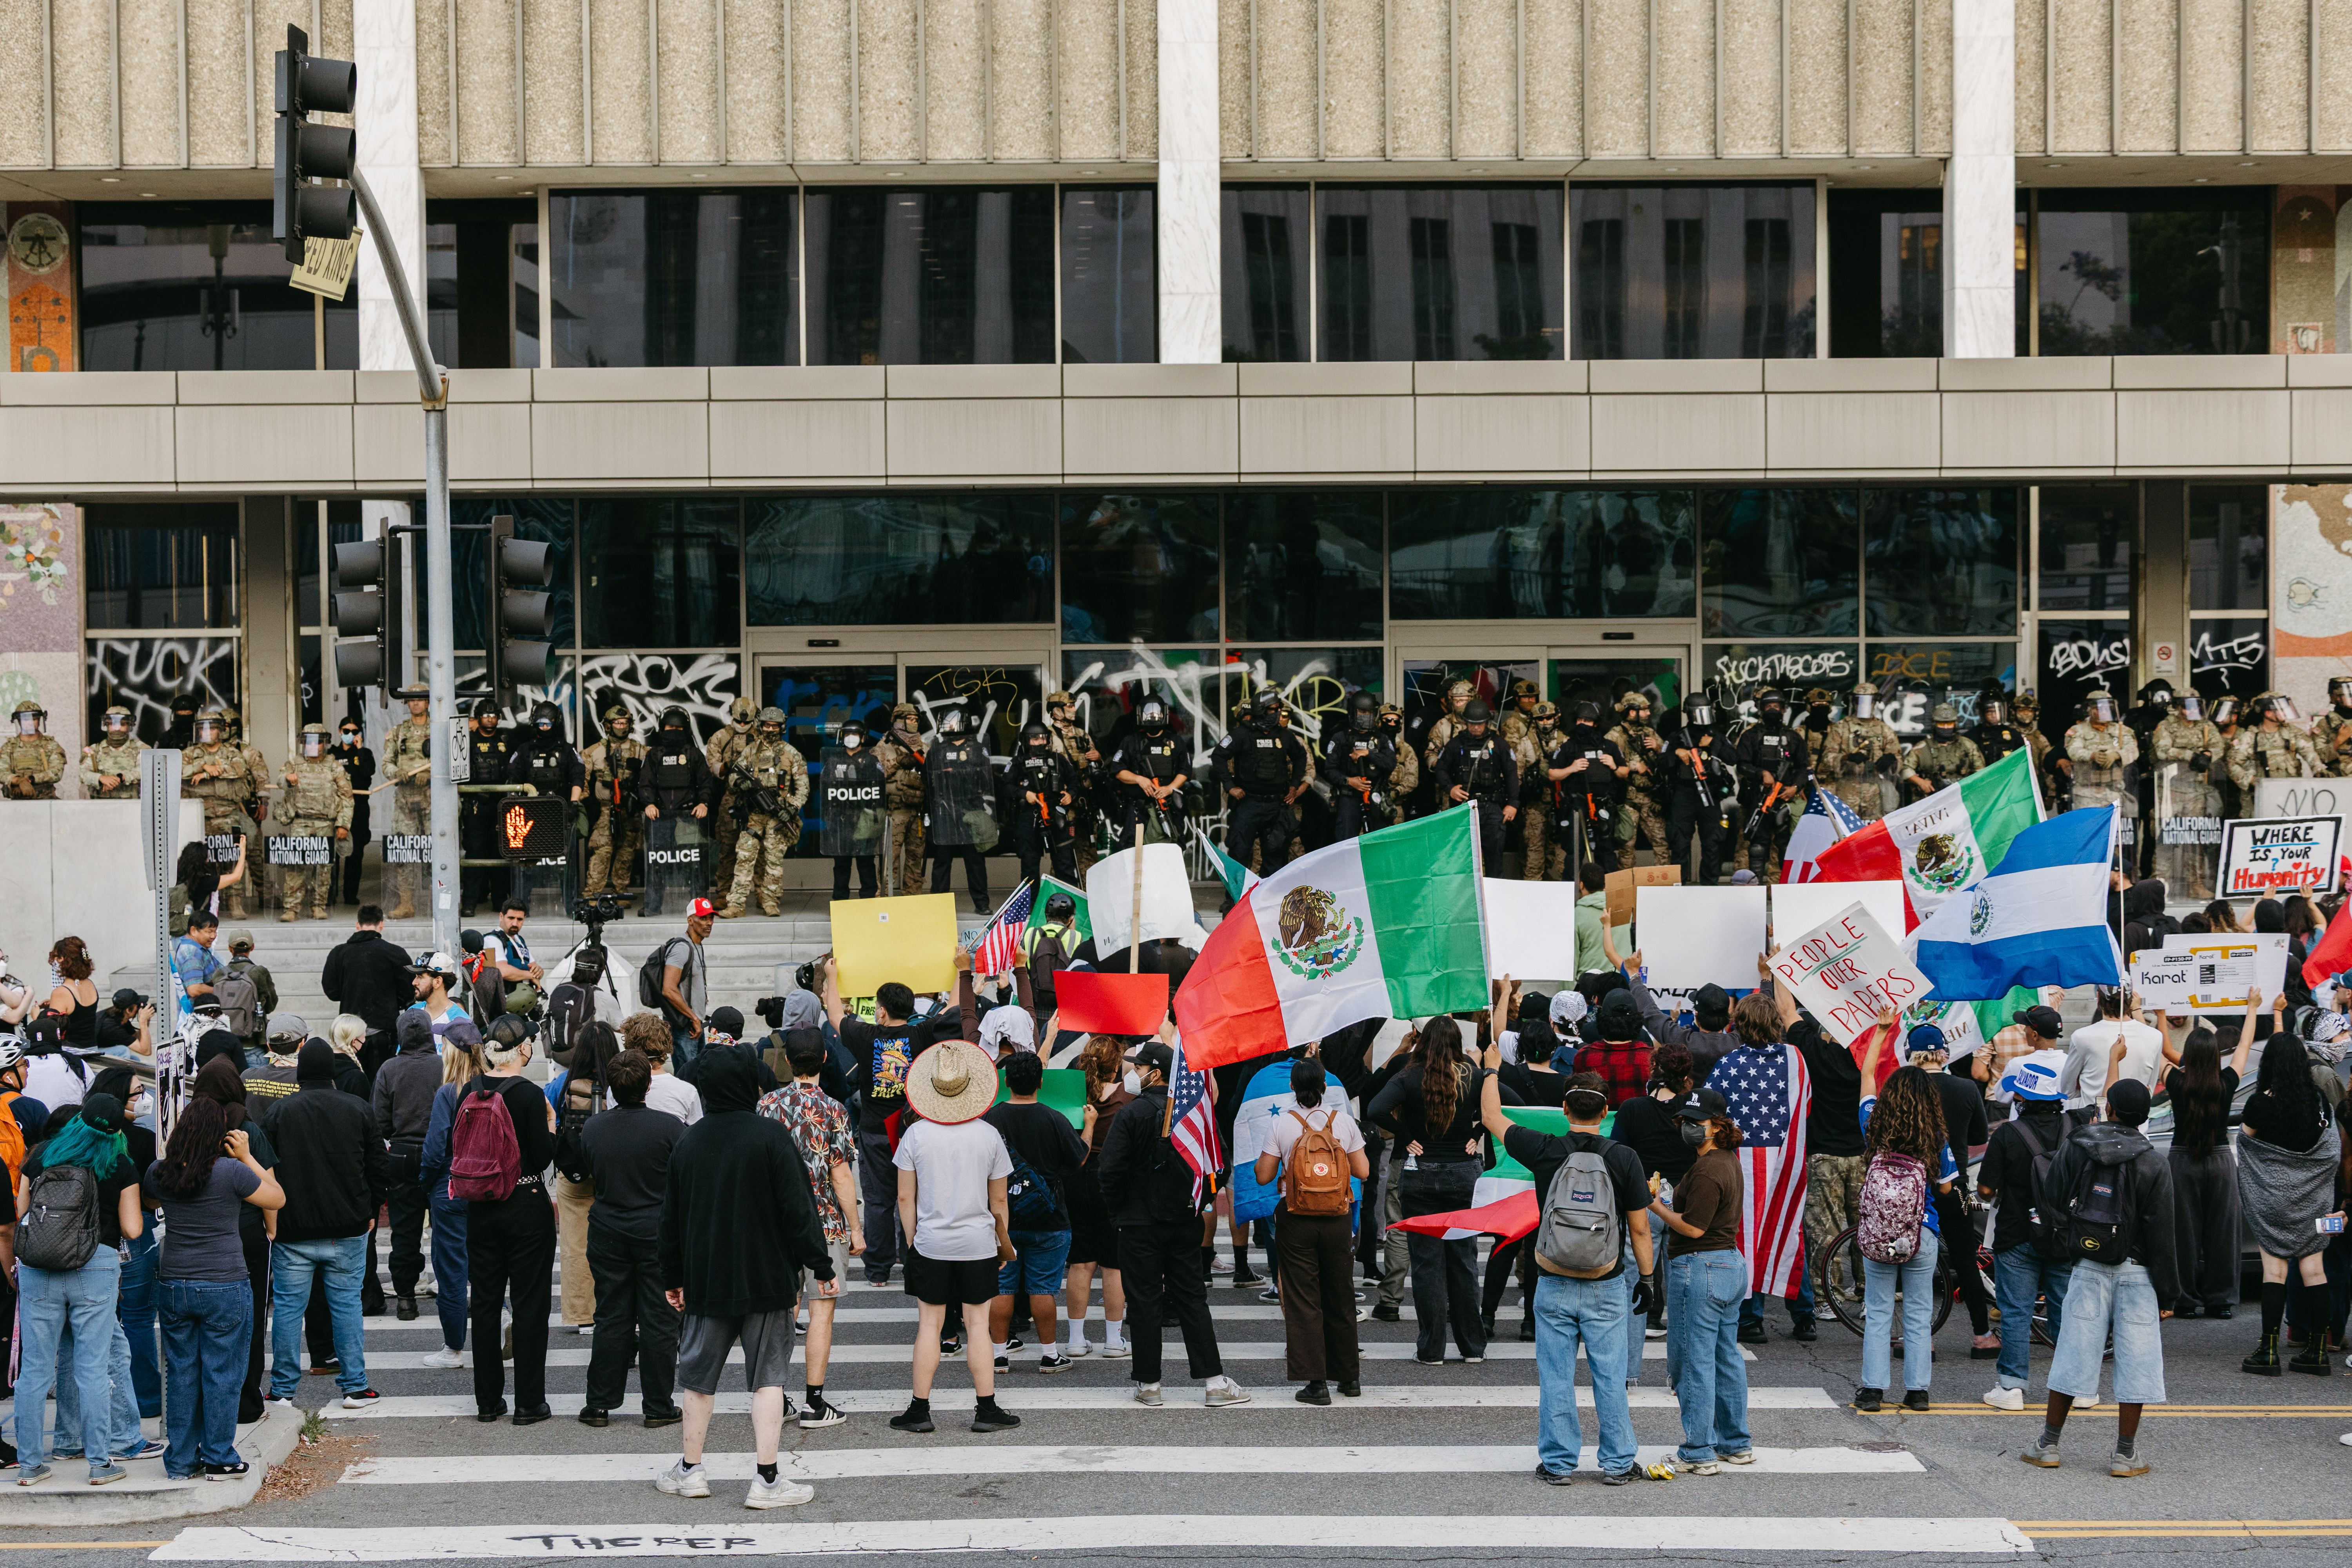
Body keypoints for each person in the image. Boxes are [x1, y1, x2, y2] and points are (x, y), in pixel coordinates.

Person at [656, 1048, 836, 1509]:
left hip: (707, 1280)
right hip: (768, 1277)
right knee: (769, 1378)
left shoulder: (688, 1142)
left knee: (698, 1380)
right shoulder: (771, 1136)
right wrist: (822, 1265)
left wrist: (672, 1277)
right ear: (749, 1086)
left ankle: (691, 1470)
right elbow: (800, 1211)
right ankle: (768, 1479)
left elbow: (671, 1222)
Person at [1475, 1066, 1651, 1481]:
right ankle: (1618, 1462)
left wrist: (1490, 1068)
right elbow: (1640, 1227)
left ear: (1565, 1108)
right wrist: (1646, 1279)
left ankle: (1557, 1462)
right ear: (1606, 1109)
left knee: (1556, 1376)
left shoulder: (1545, 1148)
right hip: (1605, 1282)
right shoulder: (1624, 1157)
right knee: (1610, 1375)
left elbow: (1491, 1117)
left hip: (1552, 1279)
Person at [2022, 1078, 2180, 1476]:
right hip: (2138, 1270)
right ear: (2145, 1117)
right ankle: (2125, 1454)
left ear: (2109, 1109)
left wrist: (2072, 1237)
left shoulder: (2079, 1145)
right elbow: (2163, 1233)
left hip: (2088, 1265)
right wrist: (2169, 1295)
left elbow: (2053, 1194)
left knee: (2073, 1351)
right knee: (2137, 1359)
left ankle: (2048, 1444)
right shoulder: (2154, 1161)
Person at [1098, 1041, 1249, 1408]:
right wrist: (1201, 1200)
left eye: (1139, 1067)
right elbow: (1219, 1165)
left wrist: (1120, 1212)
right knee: (1192, 1299)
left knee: (1145, 1301)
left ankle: (1149, 1384)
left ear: (1157, 1072)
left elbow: (1110, 1170)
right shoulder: (1195, 1115)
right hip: (1185, 1219)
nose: (1133, 1074)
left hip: (1138, 1225)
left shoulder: (1131, 1115)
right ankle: (1214, 1383)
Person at [11, 1095, 149, 1486]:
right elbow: (134, 1229)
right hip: (96, 1266)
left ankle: (30, 1465)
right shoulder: (120, 1164)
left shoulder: (42, 1156)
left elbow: (23, 1212)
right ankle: (100, 1463)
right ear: (115, 1130)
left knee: (35, 1371)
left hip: (39, 1267)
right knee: (92, 1368)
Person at [147, 1095, 285, 1481]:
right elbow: (277, 1196)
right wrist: (246, 1155)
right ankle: (219, 1454)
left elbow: (149, 1198)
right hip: (224, 1282)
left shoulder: (159, 1172)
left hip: (175, 1283)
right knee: (223, 1373)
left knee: (182, 1373)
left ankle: (180, 1460)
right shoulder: (230, 1173)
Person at [888, 1039, 1024, 1432]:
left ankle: (920, 1409)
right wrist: (1002, 1242)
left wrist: (915, 1242)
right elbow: (999, 1201)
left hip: (931, 1242)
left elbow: (903, 1196)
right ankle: (986, 1409)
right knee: (978, 1324)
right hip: (978, 1241)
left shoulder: (915, 1136)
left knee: (930, 1325)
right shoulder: (989, 1135)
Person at [260, 1040, 386, 1410]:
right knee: (347, 1306)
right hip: (348, 1226)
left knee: (287, 1310)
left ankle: (282, 1390)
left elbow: (268, 1170)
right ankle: (355, 1387)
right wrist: (371, 1209)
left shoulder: (280, 1112)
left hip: (293, 1229)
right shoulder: (358, 1109)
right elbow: (379, 1166)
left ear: (299, 1072)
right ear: (333, 1072)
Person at [1368, 1016, 1496, 1366]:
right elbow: (1499, 1107)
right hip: (1463, 1174)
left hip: (1420, 1174)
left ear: (1423, 1042)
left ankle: (1432, 1349)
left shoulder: (1410, 1075)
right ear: (1457, 1041)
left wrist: (1406, 1136)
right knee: (1464, 1262)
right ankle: (1473, 1347)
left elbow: (1375, 1108)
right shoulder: (1472, 1072)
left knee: (1427, 1265)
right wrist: (1478, 1133)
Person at [2233, 989, 2347, 1376]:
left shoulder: (2261, 1103)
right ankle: (2316, 1352)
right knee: (2315, 1271)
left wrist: (2271, 1173)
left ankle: (2267, 1353)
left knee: (2274, 1272)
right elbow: (2331, 1151)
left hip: (2272, 1202)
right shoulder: (2317, 1099)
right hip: (2315, 1203)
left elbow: (2245, 1141)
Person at [755, 1030, 863, 1426]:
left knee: (784, 1311)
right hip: (824, 1224)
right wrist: (856, 1228)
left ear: (787, 1062)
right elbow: (841, 1176)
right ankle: (815, 1402)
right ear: (821, 1060)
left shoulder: (766, 1105)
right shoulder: (834, 1109)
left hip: (777, 1224)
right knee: (822, 1312)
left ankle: (777, 1396)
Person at [457, 1016, 560, 1422]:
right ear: (522, 1049)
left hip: (481, 1206)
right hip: (524, 1200)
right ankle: (529, 1402)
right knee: (530, 1303)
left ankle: (488, 1400)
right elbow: (540, 1156)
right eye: (530, 1041)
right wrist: (552, 1127)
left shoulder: (470, 1090)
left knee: (484, 1303)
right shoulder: (529, 1095)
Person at [1252, 1056, 1370, 1405]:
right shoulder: (1344, 1122)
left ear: (1292, 1087)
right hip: (1337, 1218)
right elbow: (1362, 1171)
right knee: (1341, 1294)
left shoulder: (1282, 1125)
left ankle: (1316, 1383)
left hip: (1297, 1217)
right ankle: (1349, 1378)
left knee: (1304, 1299)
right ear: (1324, 1088)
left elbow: (1262, 1175)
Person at [579, 1048, 686, 1430]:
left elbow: (590, 1173)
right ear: (647, 1084)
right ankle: (658, 1404)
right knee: (661, 1320)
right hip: (656, 1231)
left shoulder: (594, 1128)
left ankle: (599, 1402)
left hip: (608, 1229)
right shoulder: (670, 1127)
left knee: (611, 1315)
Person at [1649, 1086, 1751, 1474]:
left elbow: (1693, 1228)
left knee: (1694, 1361)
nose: (1688, 1128)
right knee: (1725, 1356)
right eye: (1685, 1121)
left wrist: (1656, 1205)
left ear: (1717, 1125)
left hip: (1700, 1267)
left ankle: (1698, 1450)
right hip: (1727, 1266)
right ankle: (1736, 1443)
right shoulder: (1726, 1159)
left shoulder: (1709, 1168)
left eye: (1696, 1123)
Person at [1976, 1054, 2077, 1409]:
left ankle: (2012, 1388)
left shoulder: (2008, 1134)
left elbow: (1986, 1190)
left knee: (2016, 1310)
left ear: (2023, 1098)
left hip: (2017, 1233)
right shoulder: (2075, 1130)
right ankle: (2075, 1387)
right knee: (2065, 1309)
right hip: (2065, 1234)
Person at [1852, 1063, 1953, 1414]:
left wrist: (1880, 1034)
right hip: (1921, 1231)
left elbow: (1867, 1083)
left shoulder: (1873, 1126)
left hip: (1880, 1231)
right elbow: (1947, 1186)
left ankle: (1873, 1390)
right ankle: (1917, 1391)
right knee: (1919, 1312)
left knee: (1879, 1312)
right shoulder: (1935, 1136)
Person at [986, 1049, 1088, 1375]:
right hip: (1050, 1218)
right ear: (1041, 1082)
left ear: (1007, 1082)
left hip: (1001, 1217)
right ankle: (1049, 1355)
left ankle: (999, 1356)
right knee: (1043, 1289)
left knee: (1002, 1287)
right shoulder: (1055, 1119)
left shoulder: (990, 1120)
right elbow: (1079, 1159)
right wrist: (1091, 1126)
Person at [1906, 1025, 1996, 1357]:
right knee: (1965, 1260)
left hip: (1913, 1186)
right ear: (1944, 1053)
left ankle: (1920, 1338)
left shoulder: (1905, 1088)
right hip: (1954, 1185)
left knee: (1916, 1260)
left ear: (1911, 1055)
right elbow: (1977, 1139)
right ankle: (1982, 1335)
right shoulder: (1965, 1088)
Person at [2165, 1020, 2245, 1319]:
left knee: (2182, 1233)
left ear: (2187, 1056)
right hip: (2221, 1159)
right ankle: (2220, 1300)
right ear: (2216, 1056)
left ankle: (2185, 1300)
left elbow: (2157, 1050)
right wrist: (2253, 1010)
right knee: (2224, 1232)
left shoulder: (2176, 1082)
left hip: (2182, 1161)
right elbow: (2245, 1046)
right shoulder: (2227, 1082)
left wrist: (2148, 1013)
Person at [1062, 1033, 1134, 1360]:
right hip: (1115, 1181)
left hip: (1077, 1179)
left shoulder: (1074, 1095)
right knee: (1113, 1264)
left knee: (1081, 1262)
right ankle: (1114, 1340)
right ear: (1117, 1065)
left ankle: (1076, 1339)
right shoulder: (1128, 1096)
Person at [372, 1009, 441, 1321]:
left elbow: (380, 1121)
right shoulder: (444, 1065)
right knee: (447, 1227)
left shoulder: (389, 1068)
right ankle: (451, 1292)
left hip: (401, 1153)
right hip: (440, 1153)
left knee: (404, 1231)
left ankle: (405, 1297)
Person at [718, 707, 808, 919]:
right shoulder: (750, 751)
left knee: (774, 862)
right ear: (761, 726)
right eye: (767, 725)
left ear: (781, 727)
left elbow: (803, 787)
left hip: (778, 816)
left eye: (775, 726)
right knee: (744, 859)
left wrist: (792, 808)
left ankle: (770, 901)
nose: (770, 729)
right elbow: (732, 779)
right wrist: (742, 783)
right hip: (754, 816)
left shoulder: (791, 753)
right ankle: (737, 905)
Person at [1214, 688, 1310, 879]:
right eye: (1273, 710)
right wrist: (1229, 786)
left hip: (1276, 805)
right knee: (1239, 854)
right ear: (1261, 711)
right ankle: (1234, 901)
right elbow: (1219, 756)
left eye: (1278, 710)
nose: (1277, 714)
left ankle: (1268, 902)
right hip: (1248, 804)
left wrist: (1294, 784)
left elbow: (1301, 757)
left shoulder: (1283, 735)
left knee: (1275, 855)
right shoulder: (1242, 734)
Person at [276, 723, 354, 921]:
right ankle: (291, 909)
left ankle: (319, 906)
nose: (312, 746)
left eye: (317, 742)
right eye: (308, 741)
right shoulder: (294, 763)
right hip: (301, 823)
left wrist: (343, 824)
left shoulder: (333, 765)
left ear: (324, 744)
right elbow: (279, 780)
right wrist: (287, 777)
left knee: (323, 868)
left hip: (325, 824)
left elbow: (347, 796)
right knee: (296, 868)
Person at [925, 708, 999, 912]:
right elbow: (928, 780)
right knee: (942, 860)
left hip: (971, 810)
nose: (948, 726)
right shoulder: (938, 749)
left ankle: (982, 904)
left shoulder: (977, 748)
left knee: (975, 860)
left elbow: (986, 779)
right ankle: (938, 906)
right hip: (945, 810)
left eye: (951, 722)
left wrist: (958, 773)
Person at [322, 905, 414, 1067]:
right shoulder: (396, 953)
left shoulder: (339, 953)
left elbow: (332, 991)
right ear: (382, 924)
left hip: (349, 1034)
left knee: (352, 1079)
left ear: (358, 925)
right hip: (385, 1031)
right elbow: (410, 991)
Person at [1432, 699, 1519, 867]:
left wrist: (1513, 803)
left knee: (1495, 860)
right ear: (1465, 722)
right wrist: (1450, 789)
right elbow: (1440, 769)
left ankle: (1493, 893)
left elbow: (1511, 773)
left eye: (1480, 724)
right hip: (1465, 807)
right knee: (1463, 860)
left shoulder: (1499, 743)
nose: (1476, 728)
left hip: (1493, 807)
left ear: (1487, 722)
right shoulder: (1456, 744)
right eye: (1472, 724)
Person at [583, 704, 647, 903]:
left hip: (630, 809)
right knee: (603, 850)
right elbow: (582, 780)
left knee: (627, 851)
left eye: (625, 723)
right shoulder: (594, 751)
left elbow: (652, 778)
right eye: (617, 723)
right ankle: (592, 893)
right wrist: (587, 805)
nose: (621, 726)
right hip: (605, 810)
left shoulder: (640, 751)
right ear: (608, 726)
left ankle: (622, 891)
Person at [2061, 989, 2163, 1112]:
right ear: (2132, 999)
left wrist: (2090, 1090)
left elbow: (2067, 1091)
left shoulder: (2082, 1037)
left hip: (2093, 1124)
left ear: (2099, 997)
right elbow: (2149, 1091)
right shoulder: (2155, 1036)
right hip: (2136, 1127)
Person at [1007, 721, 1081, 888]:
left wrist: (1071, 795)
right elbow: (1005, 786)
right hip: (1029, 816)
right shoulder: (1018, 762)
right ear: (1026, 741)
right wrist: (1024, 794)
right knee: (1030, 866)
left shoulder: (1058, 759)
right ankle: (1030, 906)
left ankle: (1069, 905)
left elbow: (1074, 782)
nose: (1040, 743)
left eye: (1043, 739)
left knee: (1064, 864)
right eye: (1035, 739)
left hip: (1056, 814)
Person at [381, 689, 432, 919]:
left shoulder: (440, 729)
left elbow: (453, 764)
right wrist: (397, 772)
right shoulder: (398, 732)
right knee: (404, 853)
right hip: (405, 801)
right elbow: (386, 764)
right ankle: (406, 904)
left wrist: (431, 774)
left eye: (420, 699)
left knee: (438, 851)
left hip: (433, 801)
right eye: (412, 700)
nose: (416, 704)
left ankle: (443, 900)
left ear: (428, 702)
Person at [621, 1014, 704, 1125]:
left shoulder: (618, 1088)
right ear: (667, 1045)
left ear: (629, 1046)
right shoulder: (688, 1091)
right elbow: (695, 1133)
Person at [329, 719, 376, 908]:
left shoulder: (365, 753)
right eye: (347, 730)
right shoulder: (331, 754)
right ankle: (330, 894)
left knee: (356, 852)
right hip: (336, 806)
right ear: (340, 731)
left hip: (359, 807)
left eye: (354, 730)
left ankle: (351, 895)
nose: (351, 733)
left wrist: (360, 750)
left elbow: (368, 773)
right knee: (332, 853)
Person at [80, 705, 146, 800]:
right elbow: (83, 774)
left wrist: (121, 778)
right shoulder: (94, 750)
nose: (117, 728)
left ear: (129, 726)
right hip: (101, 805)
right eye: (112, 724)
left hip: (132, 806)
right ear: (106, 725)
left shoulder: (141, 748)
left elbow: (145, 770)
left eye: (122, 724)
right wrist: (101, 778)